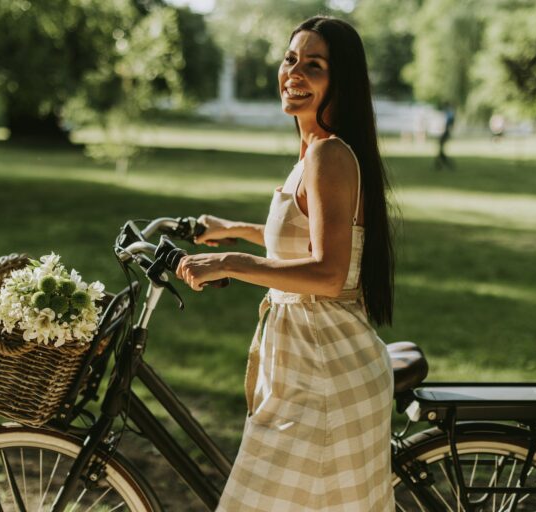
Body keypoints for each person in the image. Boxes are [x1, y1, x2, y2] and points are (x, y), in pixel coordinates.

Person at [176, 16, 396, 511]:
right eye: (290, 59)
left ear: (340, 82)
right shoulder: (314, 152)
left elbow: (328, 272)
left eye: (313, 65)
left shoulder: (328, 157)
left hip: (324, 375)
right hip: (307, 365)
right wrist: (231, 228)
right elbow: (307, 238)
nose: (294, 72)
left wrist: (231, 262)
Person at [434, 104, 455, 170]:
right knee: (440, 149)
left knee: (441, 149)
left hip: (445, 132)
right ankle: (440, 164)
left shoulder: (449, 113)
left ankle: (442, 164)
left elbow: (448, 124)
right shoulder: (449, 113)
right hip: (445, 132)